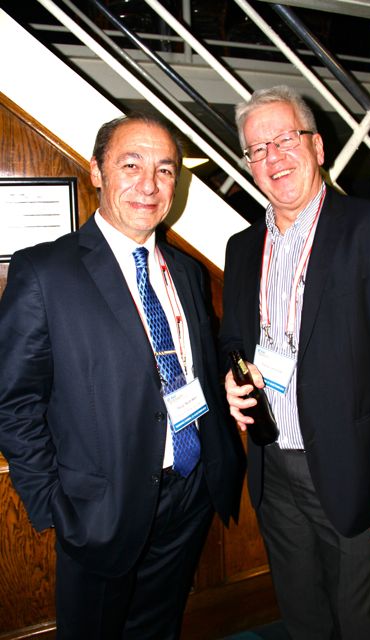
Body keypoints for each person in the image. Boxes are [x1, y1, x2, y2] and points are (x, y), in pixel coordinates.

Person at [0, 111, 244, 640]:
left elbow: (190, 366)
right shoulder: (44, 272)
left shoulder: (186, 271)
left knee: (159, 627)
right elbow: (13, 403)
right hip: (100, 511)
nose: (149, 185)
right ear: (96, 171)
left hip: (190, 491)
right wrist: (54, 506)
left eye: (164, 169)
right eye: (131, 165)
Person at [219, 85, 370, 640]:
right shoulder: (242, 247)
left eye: (286, 139)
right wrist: (229, 377)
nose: (273, 157)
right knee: (301, 612)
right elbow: (232, 340)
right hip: (271, 464)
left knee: (362, 619)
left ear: (317, 146)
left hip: (351, 465)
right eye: (257, 149)